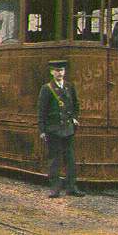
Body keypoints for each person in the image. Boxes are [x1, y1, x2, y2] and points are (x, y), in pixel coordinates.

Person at [38, 60, 84, 198]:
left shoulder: (69, 86)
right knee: (54, 159)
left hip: (68, 128)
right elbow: (41, 110)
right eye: (57, 71)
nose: (59, 73)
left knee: (70, 159)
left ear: (64, 72)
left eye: (62, 70)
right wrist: (42, 130)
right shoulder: (46, 88)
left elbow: (76, 104)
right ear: (52, 72)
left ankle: (71, 187)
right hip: (53, 129)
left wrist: (75, 117)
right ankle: (55, 188)